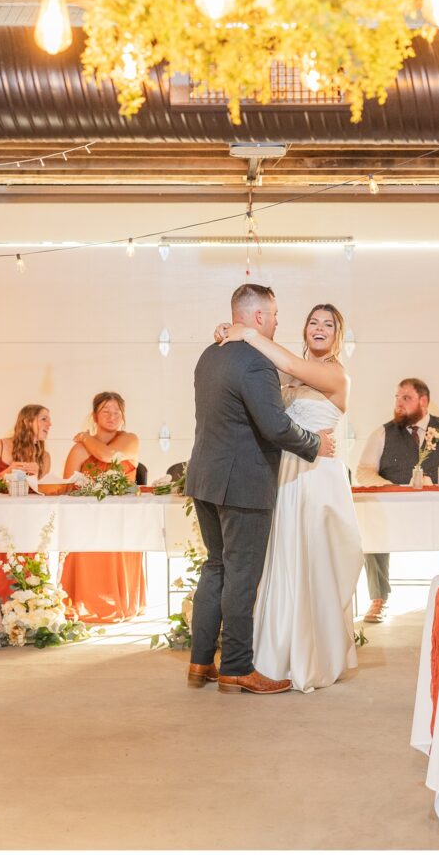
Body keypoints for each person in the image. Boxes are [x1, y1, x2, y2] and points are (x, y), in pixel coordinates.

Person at [185, 284, 335, 695]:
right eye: (272, 316)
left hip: (205, 476)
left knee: (215, 567)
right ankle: (235, 667)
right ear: (256, 318)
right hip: (243, 481)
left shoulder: (210, 353)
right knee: (241, 575)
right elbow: (274, 426)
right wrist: (314, 444)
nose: (276, 322)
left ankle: (200, 662)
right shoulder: (254, 362)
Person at [216, 302, 364, 692]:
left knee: (312, 558)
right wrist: (228, 334)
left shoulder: (335, 374)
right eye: (313, 322)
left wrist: (246, 331)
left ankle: (312, 654)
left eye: (327, 324)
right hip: (286, 474)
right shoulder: (286, 370)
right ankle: (274, 653)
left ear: (338, 334)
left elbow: (293, 368)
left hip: (318, 478)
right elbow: (265, 375)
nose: (318, 328)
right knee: (281, 558)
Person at [356, 378, 439, 623]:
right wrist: (393, 489)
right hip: (396, 509)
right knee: (371, 525)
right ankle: (378, 598)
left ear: (423, 401)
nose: (399, 404)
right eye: (396, 398)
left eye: (406, 398)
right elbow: (364, 471)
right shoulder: (382, 433)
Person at [61, 392, 146, 623]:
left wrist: (85, 438)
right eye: (105, 411)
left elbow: (109, 455)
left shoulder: (130, 439)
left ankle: (121, 603)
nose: (112, 416)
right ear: (94, 415)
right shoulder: (78, 450)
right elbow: (67, 485)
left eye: (117, 412)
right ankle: (85, 604)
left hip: (122, 518)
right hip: (87, 519)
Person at [0, 404, 52, 600]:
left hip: (28, 523)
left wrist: (38, 479)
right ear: (28, 421)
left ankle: (29, 607)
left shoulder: (44, 458)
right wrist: (7, 472)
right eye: (44, 418)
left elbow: (44, 493)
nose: (50, 424)